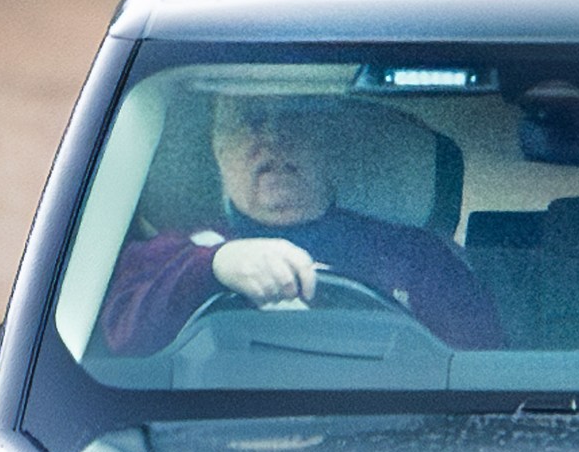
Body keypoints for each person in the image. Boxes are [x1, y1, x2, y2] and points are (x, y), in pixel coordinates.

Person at [100, 109, 504, 355]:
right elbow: (117, 344)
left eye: (295, 119)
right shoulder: (172, 254)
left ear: (329, 145)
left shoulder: (417, 258)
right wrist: (215, 268)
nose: (273, 139)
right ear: (218, 149)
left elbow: (477, 368)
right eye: (249, 121)